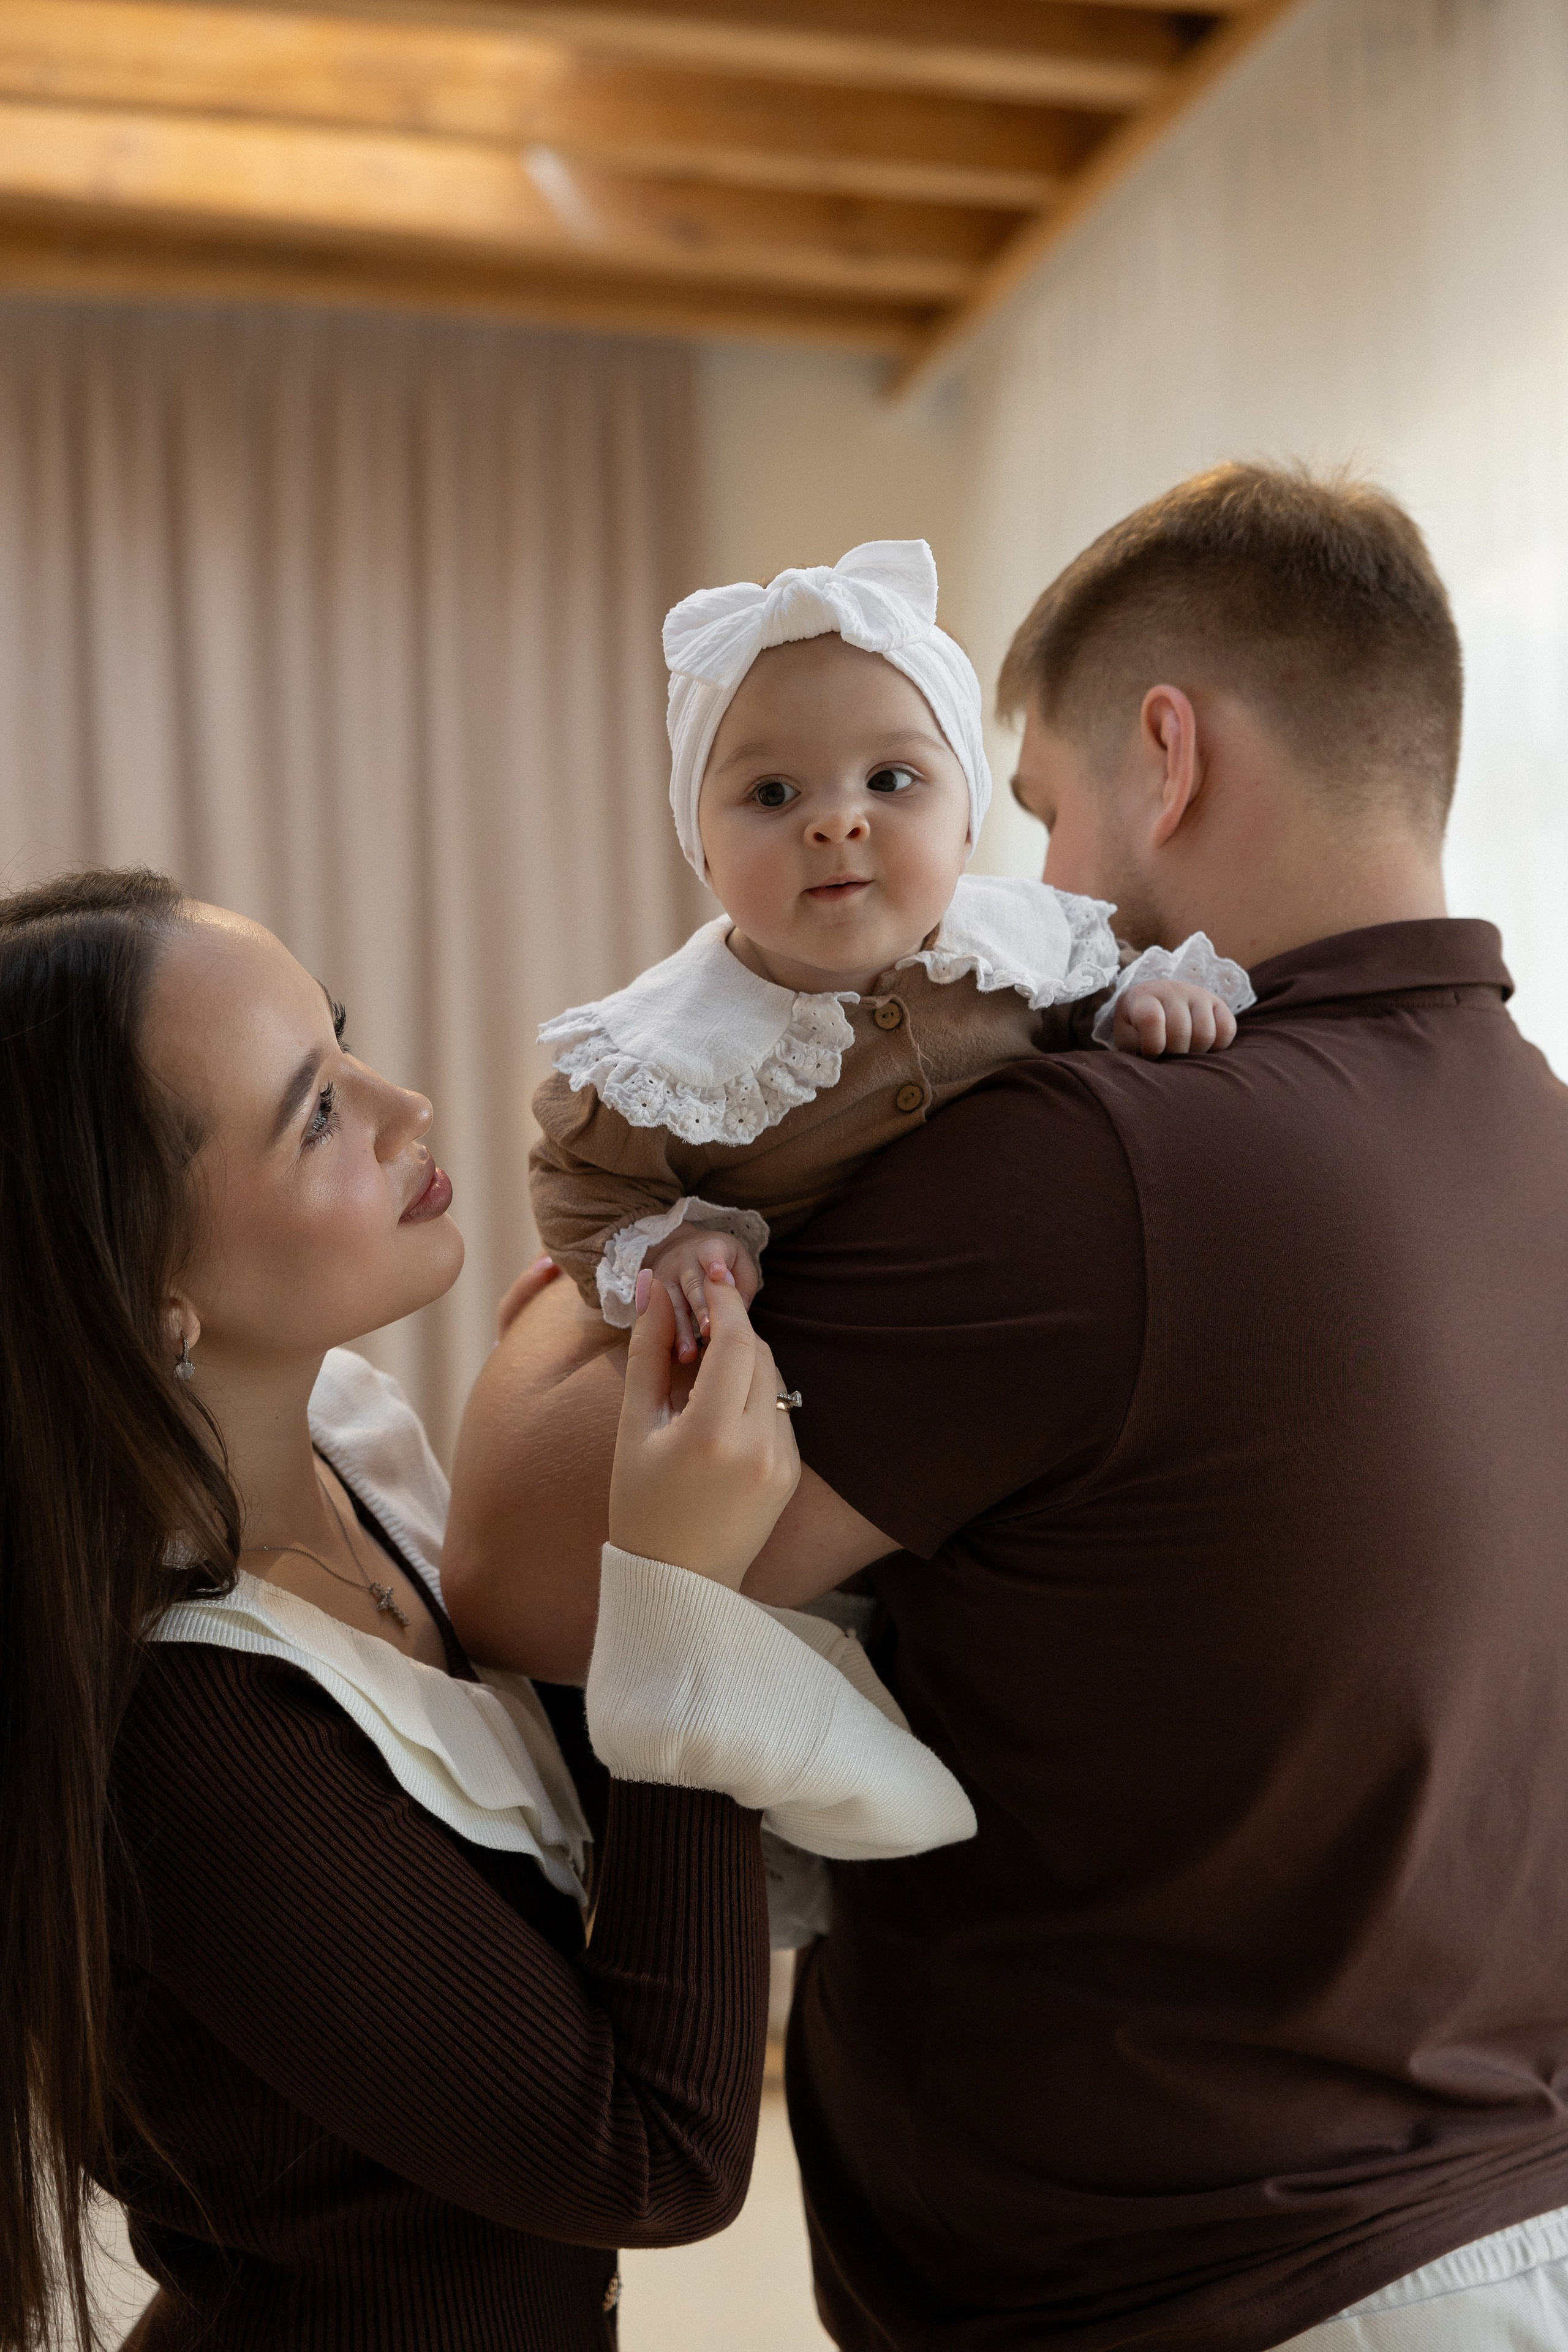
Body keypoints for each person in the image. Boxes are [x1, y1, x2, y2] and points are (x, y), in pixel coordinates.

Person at [444, 464, 1568, 2350]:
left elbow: (526, 1557)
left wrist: (650, 1223)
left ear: (1168, 755)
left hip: (1203, 2291)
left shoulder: (1100, 1164)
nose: (1024, 879)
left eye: (1029, 808)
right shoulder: (1535, 1132)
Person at [0, 866, 972, 2352]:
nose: (407, 1108)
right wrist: (677, 1596)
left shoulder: (345, 1455)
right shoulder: (188, 1730)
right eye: (315, 1114)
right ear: (148, 1298)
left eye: (340, 1043)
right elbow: (656, 2157)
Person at [530, 538, 1250, 1362]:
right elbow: (579, 1181)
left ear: (969, 820)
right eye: (772, 793)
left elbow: (1090, 990)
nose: (838, 823)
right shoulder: (666, 1047)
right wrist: (665, 1250)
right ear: (700, 845)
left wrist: (1141, 1005)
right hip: (821, 1378)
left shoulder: (1023, 942)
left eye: (891, 780)